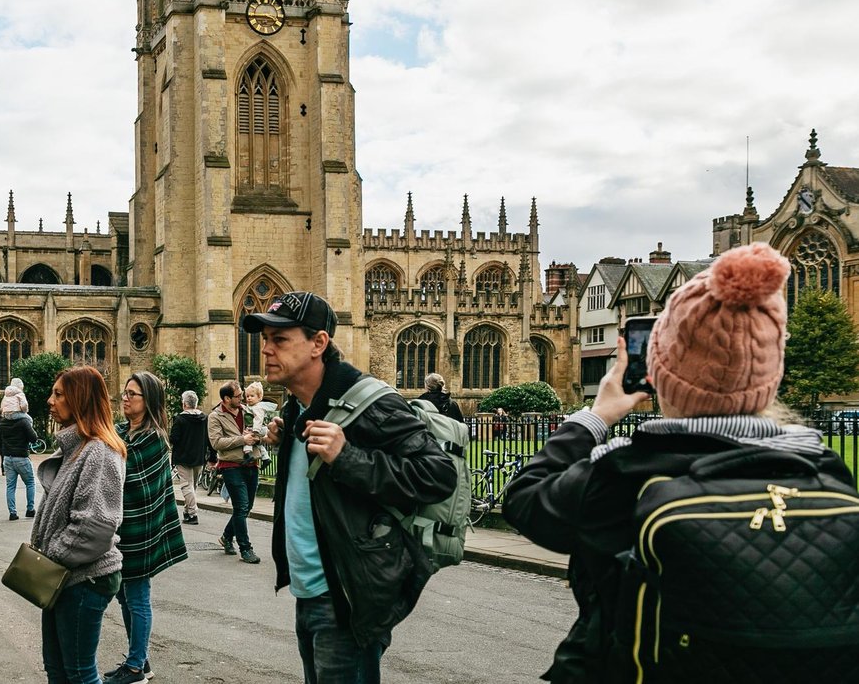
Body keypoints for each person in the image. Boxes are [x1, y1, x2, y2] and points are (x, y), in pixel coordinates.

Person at [503, 243, 857, 683]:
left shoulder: (627, 472)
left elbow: (524, 502)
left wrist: (596, 417)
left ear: (659, 374)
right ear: (770, 375)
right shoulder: (828, 473)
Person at [246, 291, 455, 684]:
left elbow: (438, 475)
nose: (266, 351)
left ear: (318, 343)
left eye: (280, 340)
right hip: (308, 595)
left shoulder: (368, 401)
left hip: (346, 598)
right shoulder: (298, 406)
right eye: (264, 341)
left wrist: (347, 457)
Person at [31, 366, 126, 684]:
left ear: (79, 398)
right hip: (63, 577)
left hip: (84, 579)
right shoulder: (76, 448)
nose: (50, 400)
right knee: (57, 669)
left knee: (80, 674)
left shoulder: (99, 452)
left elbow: (95, 527)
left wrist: (49, 559)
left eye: (58, 394)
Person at [103, 372, 188, 684]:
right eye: (125, 393)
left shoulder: (152, 438)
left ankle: (137, 667)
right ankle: (140, 659)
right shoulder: (123, 431)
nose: (125, 398)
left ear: (148, 400)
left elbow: (126, 473)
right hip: (123, 528)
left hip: (142, 529)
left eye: (132, 394)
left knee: (137, 596)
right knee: (125, 596)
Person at [207, 380, 262, 563]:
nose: (242, 398)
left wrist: (258, 437)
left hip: (251, 463)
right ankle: (246, 549)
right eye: (238, 396)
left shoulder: (247, 411)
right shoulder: (215, 416)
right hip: (231, 466)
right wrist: (242, 440)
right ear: (226, 398)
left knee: (247, 507)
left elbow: (257, 430)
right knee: (240, 507)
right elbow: (217, 443)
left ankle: (226, 537)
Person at [168, 390, 206, 525]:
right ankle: (187, 512)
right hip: (198, 456)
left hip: (183, 456)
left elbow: (174, 438)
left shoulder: (179, 419)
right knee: (192, 486)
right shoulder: (204, 419)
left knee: (186, 486)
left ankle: (193, 513)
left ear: (184, 404)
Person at [0, 396, 40, 520]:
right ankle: (30, 509)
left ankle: (12, 512)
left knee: (10, 486)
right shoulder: (23, 422)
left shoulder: (2, 422)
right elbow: (33, 438)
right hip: (21, 457)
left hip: (7, 457)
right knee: (30, 482)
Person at [244, 381, 279, 464]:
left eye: (252, 396)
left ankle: (248, 454)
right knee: (258, 444)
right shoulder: (253, 406)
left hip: (258, 428)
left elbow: (258, 419)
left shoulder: (258, 408)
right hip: (261, 428)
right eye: (247, 396)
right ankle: (266, 458)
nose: (249, 398)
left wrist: (255, 430)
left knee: (247, 437)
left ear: (259, 397)